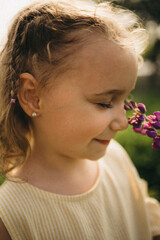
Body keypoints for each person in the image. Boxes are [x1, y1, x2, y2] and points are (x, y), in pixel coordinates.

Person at [0, 0, 160, 239]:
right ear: (33, 97)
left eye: (125, 100)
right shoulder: (12, 216)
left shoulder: (116, 158)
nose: (123, 123)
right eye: (104, 103)